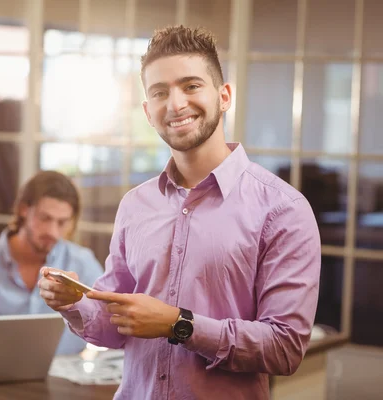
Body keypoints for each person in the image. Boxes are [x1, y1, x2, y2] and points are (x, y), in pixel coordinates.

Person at [39, 25, 321, 399]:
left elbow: (285, 348)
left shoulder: (283, 210)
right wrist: (74, 304)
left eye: (190, 86)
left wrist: (178, 325)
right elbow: (113, 326)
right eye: (160, 92)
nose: (175, 104)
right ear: (147, 111)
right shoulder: (135, 205)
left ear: (224, 96)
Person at [0, 170, 103, 355]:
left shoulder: (82, 263)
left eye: (62, 222)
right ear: (24, 210)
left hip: (66, 376)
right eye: (45, 218)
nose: (52, 232)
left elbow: (105, 326)